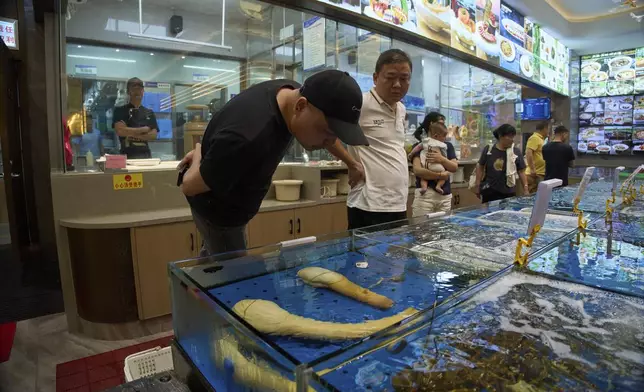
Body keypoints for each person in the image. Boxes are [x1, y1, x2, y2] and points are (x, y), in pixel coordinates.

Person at [179, 70, 367, 255]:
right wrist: (199, 152)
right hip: (220, 214)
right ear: (300, 106)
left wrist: (351, 163)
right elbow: (189, 186)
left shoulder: (291, 92)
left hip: (235, 193)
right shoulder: (247, 138)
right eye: (326, 132)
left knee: (212, 264)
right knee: (232, 277)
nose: (329, 142)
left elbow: (328, 133)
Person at [346, 49, 412, 229]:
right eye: (390, 77)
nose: (397, 84)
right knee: (363, 257)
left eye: (404, 78)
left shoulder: (401, 109)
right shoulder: (361, 103)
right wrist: (351, 164)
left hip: (398, 202)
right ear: (375, 78)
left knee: (396, 256)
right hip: (368, 204)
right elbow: (324, 131)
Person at [411, 122, 458, 216]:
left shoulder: (447, 146)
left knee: (442, 228)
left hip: (444, 196)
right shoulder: (421, 145)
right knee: (422, 227)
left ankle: (438, 186)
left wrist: (441, 159)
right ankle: (425, 186)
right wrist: (440, 175)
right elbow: (418, 170)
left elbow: (454, 167)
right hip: (425, 197)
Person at [475, 124, 528, 203]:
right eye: (509, 136)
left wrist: (525, 188)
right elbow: (480, 166)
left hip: (508, 192)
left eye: (513, 137)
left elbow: (521, 172)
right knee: (490, 214)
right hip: (489, 191)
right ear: (500, 136)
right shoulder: (489, 149)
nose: (512, 139)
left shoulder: (515, 152)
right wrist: (477, 184)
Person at [112, 77, 159, 159]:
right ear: (128, 92)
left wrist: (129, 133)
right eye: (134, 90)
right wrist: (143, 130)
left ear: (143, 91)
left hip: (146, 156)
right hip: (127, 156)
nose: (137, 92)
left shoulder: (149, 113)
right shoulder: (120, 111)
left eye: (140, 89)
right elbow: (120, 131)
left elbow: (153, 135)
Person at [410, 123, 449, 195]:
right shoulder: (442, 145)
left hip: (425, 166)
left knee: (423, 178)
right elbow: (444, 155)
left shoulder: (425, 141)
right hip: (437, 167)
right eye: (444, 136)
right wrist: (444, 160)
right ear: (436, 136)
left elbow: (418, 148)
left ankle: (424, 187)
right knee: (444, 175)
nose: (445, 138)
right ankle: (438, 186)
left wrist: (411, 154)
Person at [525, 121, 549, 193]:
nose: (548, 131)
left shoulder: (541, 139)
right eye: (548, 129)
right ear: (544, 128)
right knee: (533, 195)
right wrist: (532, 169)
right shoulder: (534, 138)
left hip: (540, 173)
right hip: (535, 174)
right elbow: (528, 153)